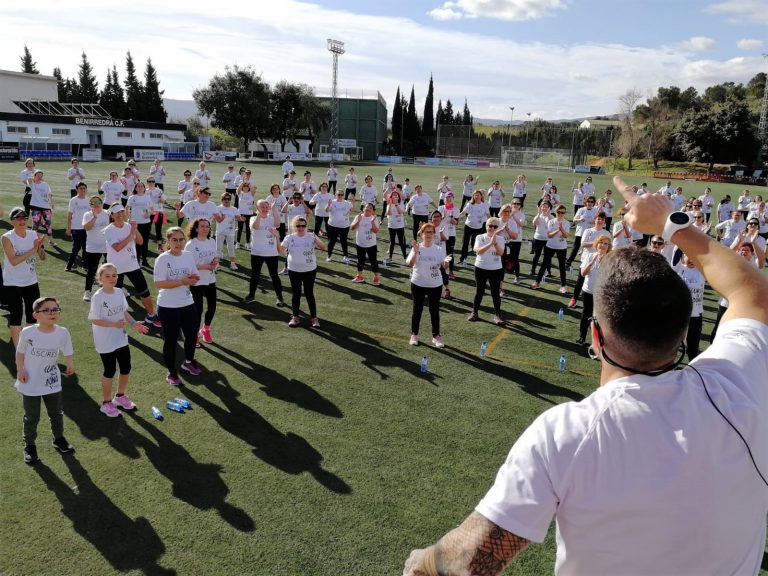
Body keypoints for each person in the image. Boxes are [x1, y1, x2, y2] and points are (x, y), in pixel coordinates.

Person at [404, 174, 768, 576]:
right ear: (684, 332)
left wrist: (420, 562)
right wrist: (671, 223)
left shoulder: (567, 434)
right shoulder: (738, 384)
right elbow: (753, 293)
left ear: (595, 335)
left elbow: (466, 562)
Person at [15, 296, 75, 465]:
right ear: (36, 315)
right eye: (47, 310)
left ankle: (58, 439)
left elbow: (68, 351)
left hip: (52, 381)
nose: (52, 313)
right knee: (32, 417)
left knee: (56, 413)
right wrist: (21, 369)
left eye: (55, 309)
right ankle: (30, 446)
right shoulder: (27, 333)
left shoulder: (62, 332)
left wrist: (70, 362)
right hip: (30, 382)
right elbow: (20, 353)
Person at [88, 263, 149, 417]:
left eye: (114, 275)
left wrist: (135, 324)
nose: (112, 278)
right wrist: (113, 324)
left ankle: (120, 397)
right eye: (107, 276)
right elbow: (94, 319)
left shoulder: (119, 292)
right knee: (110, 370)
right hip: (105, 340)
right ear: (100, 278)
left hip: (120, 338)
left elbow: (123, 311)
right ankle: (106, 403)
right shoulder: (98, 297)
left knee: (126, 367)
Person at [153, 227, 201, 386]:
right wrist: (182, 281)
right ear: (168, 241)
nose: (178, 243)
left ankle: (188, 362)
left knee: (192, 336)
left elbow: (195, 275)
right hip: (168, 307)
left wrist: (194, 278)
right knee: (171, 341)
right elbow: (159, 284)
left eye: (181, 239)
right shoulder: (162, 259)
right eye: (174, 240)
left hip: (187, 303)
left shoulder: (188, 255)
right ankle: (172, 373)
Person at [104, 204, 160, 326]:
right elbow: (117, 247)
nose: (119, 215)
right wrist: (131, 234)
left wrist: (135, 229)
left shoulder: (129, 226)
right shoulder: (109, 230)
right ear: (112, 215)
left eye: (121, 212)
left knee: (145, 292)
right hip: (115, 269)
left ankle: (151, 315)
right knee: (114, 297)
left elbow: (140, 241)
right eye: (116, 213)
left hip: (132, 265)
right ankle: (115, 319)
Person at [3, 207, 46, 347]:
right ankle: (18, 353)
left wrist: (39, 248)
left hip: (31, 281)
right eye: (19, 218)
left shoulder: (33, 234)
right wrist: (33, 249)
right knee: (16, 316)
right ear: (12, 222)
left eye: (25, 217)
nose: (23, 220)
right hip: (12, 283)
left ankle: (28, 345)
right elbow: (14, 261)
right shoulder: (7, 238)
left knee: (33, 314)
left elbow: (42, 257)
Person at [406, 222, 451, 348]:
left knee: (434, 310)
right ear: (421, 234)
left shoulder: (438, 249)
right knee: (417, 310)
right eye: (426, 232)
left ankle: (436, 336)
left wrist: (446, 263)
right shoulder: (417, 247)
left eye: (431, 232)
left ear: (434, 234)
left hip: (435, 285)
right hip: (418, 283)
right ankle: (414, 334)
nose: (429, 234)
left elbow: (444, 266)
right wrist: (415, 252)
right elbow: (410, 264)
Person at [280, 216, 327, 327]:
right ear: (294, 226)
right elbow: (280, 250)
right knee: (296, 294)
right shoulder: (289, 238)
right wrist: (277, 237)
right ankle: (295, 317)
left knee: (309, 293)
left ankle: (314, 318)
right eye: (298, 226)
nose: (301, 228)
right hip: (294, 270)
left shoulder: (311, 236)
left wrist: (316, 241)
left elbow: (324, 247)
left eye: (303, 225)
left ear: (306, 226)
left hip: (309, 270)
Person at [184, 218, 219, 347]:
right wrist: (205, 267)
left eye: (207, 226)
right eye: (202, 226)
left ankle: (205, 329)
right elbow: (188, 266)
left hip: (210, 279)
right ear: (196, 228)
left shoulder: (211, 241)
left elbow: (215, 256)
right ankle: (194, 335)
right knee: (197, 311)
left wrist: (216, 261)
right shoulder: (191, 244)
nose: (205, 228)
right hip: (196, 281)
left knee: (212, 307)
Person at [466, 216, 506, 325]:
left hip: (496, 269)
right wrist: (490, 243)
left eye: (495, 226)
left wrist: (495, 243)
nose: (492, 228)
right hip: (480, 268)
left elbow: (501, 253)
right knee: (479, 291)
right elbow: (478, 251)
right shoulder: (480, 237)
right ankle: (474, 312)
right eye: (490, 226)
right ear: (486, 226)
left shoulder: (501, 239)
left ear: (498, 228)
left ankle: (497, 314)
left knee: (495, 293)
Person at [246, 200, 285, 307]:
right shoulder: (253, 218)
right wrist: (259, 214)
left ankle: (279, 297)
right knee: (255, 275)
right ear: (257, 208)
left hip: (271, 253)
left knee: (274, 276)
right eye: (262, 207)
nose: (264, 209)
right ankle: (251, 295)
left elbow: (278, 224)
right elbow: (255, 227)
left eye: (266, 207)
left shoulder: (271, 219)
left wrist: (273, 210)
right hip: (257, 253)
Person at [575, 235, 611, 345]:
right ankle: (582, 336)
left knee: (599, 317)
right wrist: (591, 263)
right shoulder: (590, 255)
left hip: (601, 293)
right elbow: (583, 273)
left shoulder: (610, 259)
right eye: (601, 242)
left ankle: (597, 342)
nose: (603, 245)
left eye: (606, 244)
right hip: (588, 291)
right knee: (586, 313)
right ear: (597, 244)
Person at [531, 204, 569, 293]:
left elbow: (566, 236)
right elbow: (549, 235)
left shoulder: (566, 223)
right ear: (555, 212)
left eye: (562, 212)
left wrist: (562, 229)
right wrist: (557, 230)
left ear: (564, 213)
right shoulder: (551, 222)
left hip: (562, 248)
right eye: (558, 212)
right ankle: (537, 282)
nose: (560, 214)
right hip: (550, 246)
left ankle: (563, 286)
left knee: (562, 267)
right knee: (544, 264)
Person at [677, 253, 705, 361]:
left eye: (694, 258)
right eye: (689, 256)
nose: (691, 260)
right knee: (674, 343)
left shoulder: (702, 271)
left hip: (696, 313)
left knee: (693, 345)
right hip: (680, 313)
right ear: (684, 257)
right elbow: (677, 252)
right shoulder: (678, 269)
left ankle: (693, 367)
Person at [82, 196, 109, 302]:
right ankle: (87, 291)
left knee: (110, 268)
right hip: (93, 247)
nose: (96, 205)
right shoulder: (87, 214)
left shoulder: (107, 213)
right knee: (91, 270)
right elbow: (87, 227)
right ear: (90, 205)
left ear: (102, 203)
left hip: (107, 246)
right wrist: (95, 217)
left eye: (98, 202)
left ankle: (114, 288)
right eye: (93, 203)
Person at [350, 203, 381, 286]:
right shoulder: (358, 217)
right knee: (360, 261)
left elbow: (376, 231)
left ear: (372, 211)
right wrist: (358, 221)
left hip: (371, 245)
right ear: (363, 208)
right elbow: (352, 228)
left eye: (370, 208)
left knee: (373, 261)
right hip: (360, 244)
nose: (368, 208)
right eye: (367, 207)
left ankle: (376, 277)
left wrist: (372, 223)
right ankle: (359, 276)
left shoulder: (374, 218)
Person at [458, 190, 490, 266]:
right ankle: (463, 258)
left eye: (478, 195)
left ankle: (479, 260)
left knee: (477, 244)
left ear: (481, 196)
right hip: (468, 226)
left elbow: (488, 215)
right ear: (473, 196)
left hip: (478, 228)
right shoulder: (470, 204)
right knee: (465, 243)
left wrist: (491, 222)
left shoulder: (484, 205)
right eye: (475, 195)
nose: (477, 196)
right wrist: (456, 216)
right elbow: (463, 213)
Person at [126, 181, 154, 267]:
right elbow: (127, 208)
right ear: (135, 188)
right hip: (135, 223)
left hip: (146, 223)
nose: (140, 187)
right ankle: (136, 260)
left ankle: (144, 260)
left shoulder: (148, 197)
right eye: (138, 186)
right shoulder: (132, 197)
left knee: (145, 242)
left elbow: (152, 210)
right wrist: (129, 219)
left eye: (142, 186)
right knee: (136, 242)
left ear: (144, 188)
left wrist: (149, 214)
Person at [566, 195, 597, 269]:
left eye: (591, 202)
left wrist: (594, 222)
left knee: (589, 249)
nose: (589, 203)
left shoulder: (595, 210)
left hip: (590, 233)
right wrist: (580, 220)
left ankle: (588, 264)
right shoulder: (581, 210)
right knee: (575, 248)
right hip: (580, 232)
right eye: (588, 201)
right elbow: (574, 220)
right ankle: (568, 263)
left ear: (593, 203)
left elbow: (597, 221)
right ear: (585, 202)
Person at [65, 182, 90, 272]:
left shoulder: (89, 200)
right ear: (77, 189)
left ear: (86, 189)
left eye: (84, 188)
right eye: (80, 188)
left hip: (86, 228)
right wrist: (68, 228)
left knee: (85, 247)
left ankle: (85, 266)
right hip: (76, 227)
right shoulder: (73, 200)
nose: (82, 190)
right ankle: (69, 265)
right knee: (76, 247)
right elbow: (69, 215)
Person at [499, 202, 523, 291]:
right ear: (501, 212)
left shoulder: (512, 223)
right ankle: (499, 287)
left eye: (509, 211)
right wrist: (501, 230)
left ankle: (501, 286)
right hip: (497, 246)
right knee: (498, 267)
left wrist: (507, 230)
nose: (507, 213)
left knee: (505, 266)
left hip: (507, 246)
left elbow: (515, 236)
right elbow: (491, 234)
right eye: (505, 211)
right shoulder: (497, 221)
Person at [326, 188, 352, 264]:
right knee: (332, 241)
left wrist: (353, 201)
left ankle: (345, 256)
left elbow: (352, 209)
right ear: (335, 195)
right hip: (333, 225)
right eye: (338, 195)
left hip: (344, 226)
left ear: (343, 196)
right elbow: (326, 210)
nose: (340, 196)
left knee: (343, 241)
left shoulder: (347, 203)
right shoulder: (332, 202)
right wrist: (328, 205)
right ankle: (329, 255)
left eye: (341, 195)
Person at [29, 170, 55, 247]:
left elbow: (49, 194)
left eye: (41, 176)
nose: (40, 177)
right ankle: (32, 241)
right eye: (38, 175)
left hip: (46, 207)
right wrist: (34, 178)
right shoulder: (32, 184)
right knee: (35, 225)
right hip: (35, 207)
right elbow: (28, 179)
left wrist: (51, 205)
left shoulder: (45, 184)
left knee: (48, 225)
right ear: (35, 176)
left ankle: (51, 240)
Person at [438, 192, 460, 280]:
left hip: (451, 234)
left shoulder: (456, 209)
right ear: (444, 199)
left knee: (450, 253)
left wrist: (451, 217)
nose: (448, 199)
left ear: (453, 199)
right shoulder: (440, 208)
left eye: (450, 198)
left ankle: (451, 272)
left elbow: (456, 223)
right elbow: (436, 221)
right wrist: (442, 217)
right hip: (441, 233)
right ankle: (439, 271)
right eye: (447, 198)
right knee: (439, 252)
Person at [215, 191, 239, 270]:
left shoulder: (234, 209)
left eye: (228, 199)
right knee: (218, 248)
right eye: (225, 199)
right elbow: (218, 221)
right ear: (221, 200)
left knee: (231, 248)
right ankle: (217, 264)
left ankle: (232, 264)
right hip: (220, 231)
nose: (227, 200)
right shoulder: (218, 208)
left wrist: (240, 218)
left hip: (230, 232)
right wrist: (222, 217)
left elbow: (238, 217)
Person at [385, 188, 408, 265]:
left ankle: (405, 257)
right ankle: (390, 257)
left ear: (398, 197)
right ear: (391, 197)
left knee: (402, 242)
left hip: (400, 226)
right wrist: (391, 204)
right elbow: (388, 213)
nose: (395, 196)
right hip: (391, 226)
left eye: (396, 195)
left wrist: (396, 204)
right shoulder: (389, 204)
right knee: (392, 242)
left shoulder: (401, 203)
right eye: (393, 195)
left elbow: (400, 212)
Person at [147, 176, 167, 251]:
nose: (151, 183)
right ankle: (145, 245)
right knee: (147, 230)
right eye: (150, 181)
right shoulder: (145, 191)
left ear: (155, 182)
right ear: (147, 183)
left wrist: (162, 200)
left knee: (158, 230)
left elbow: (164, 201)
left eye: (153, 181)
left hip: (158, 212)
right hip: (149, 213)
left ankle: (159, 245)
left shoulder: (159, 190)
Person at [235, 181, 255, 249]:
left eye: (247, 186)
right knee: (240, 228)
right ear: (242, 187)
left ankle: (247, 243)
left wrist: (249, 184)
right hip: (241, 213)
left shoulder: (251, 194)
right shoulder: (240, 193)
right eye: (244, 186)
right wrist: (242, 183)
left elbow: (253, 190)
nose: (246, 187)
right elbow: (238, 190)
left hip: (249, 213)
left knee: (248, 229)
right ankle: (237, 242)